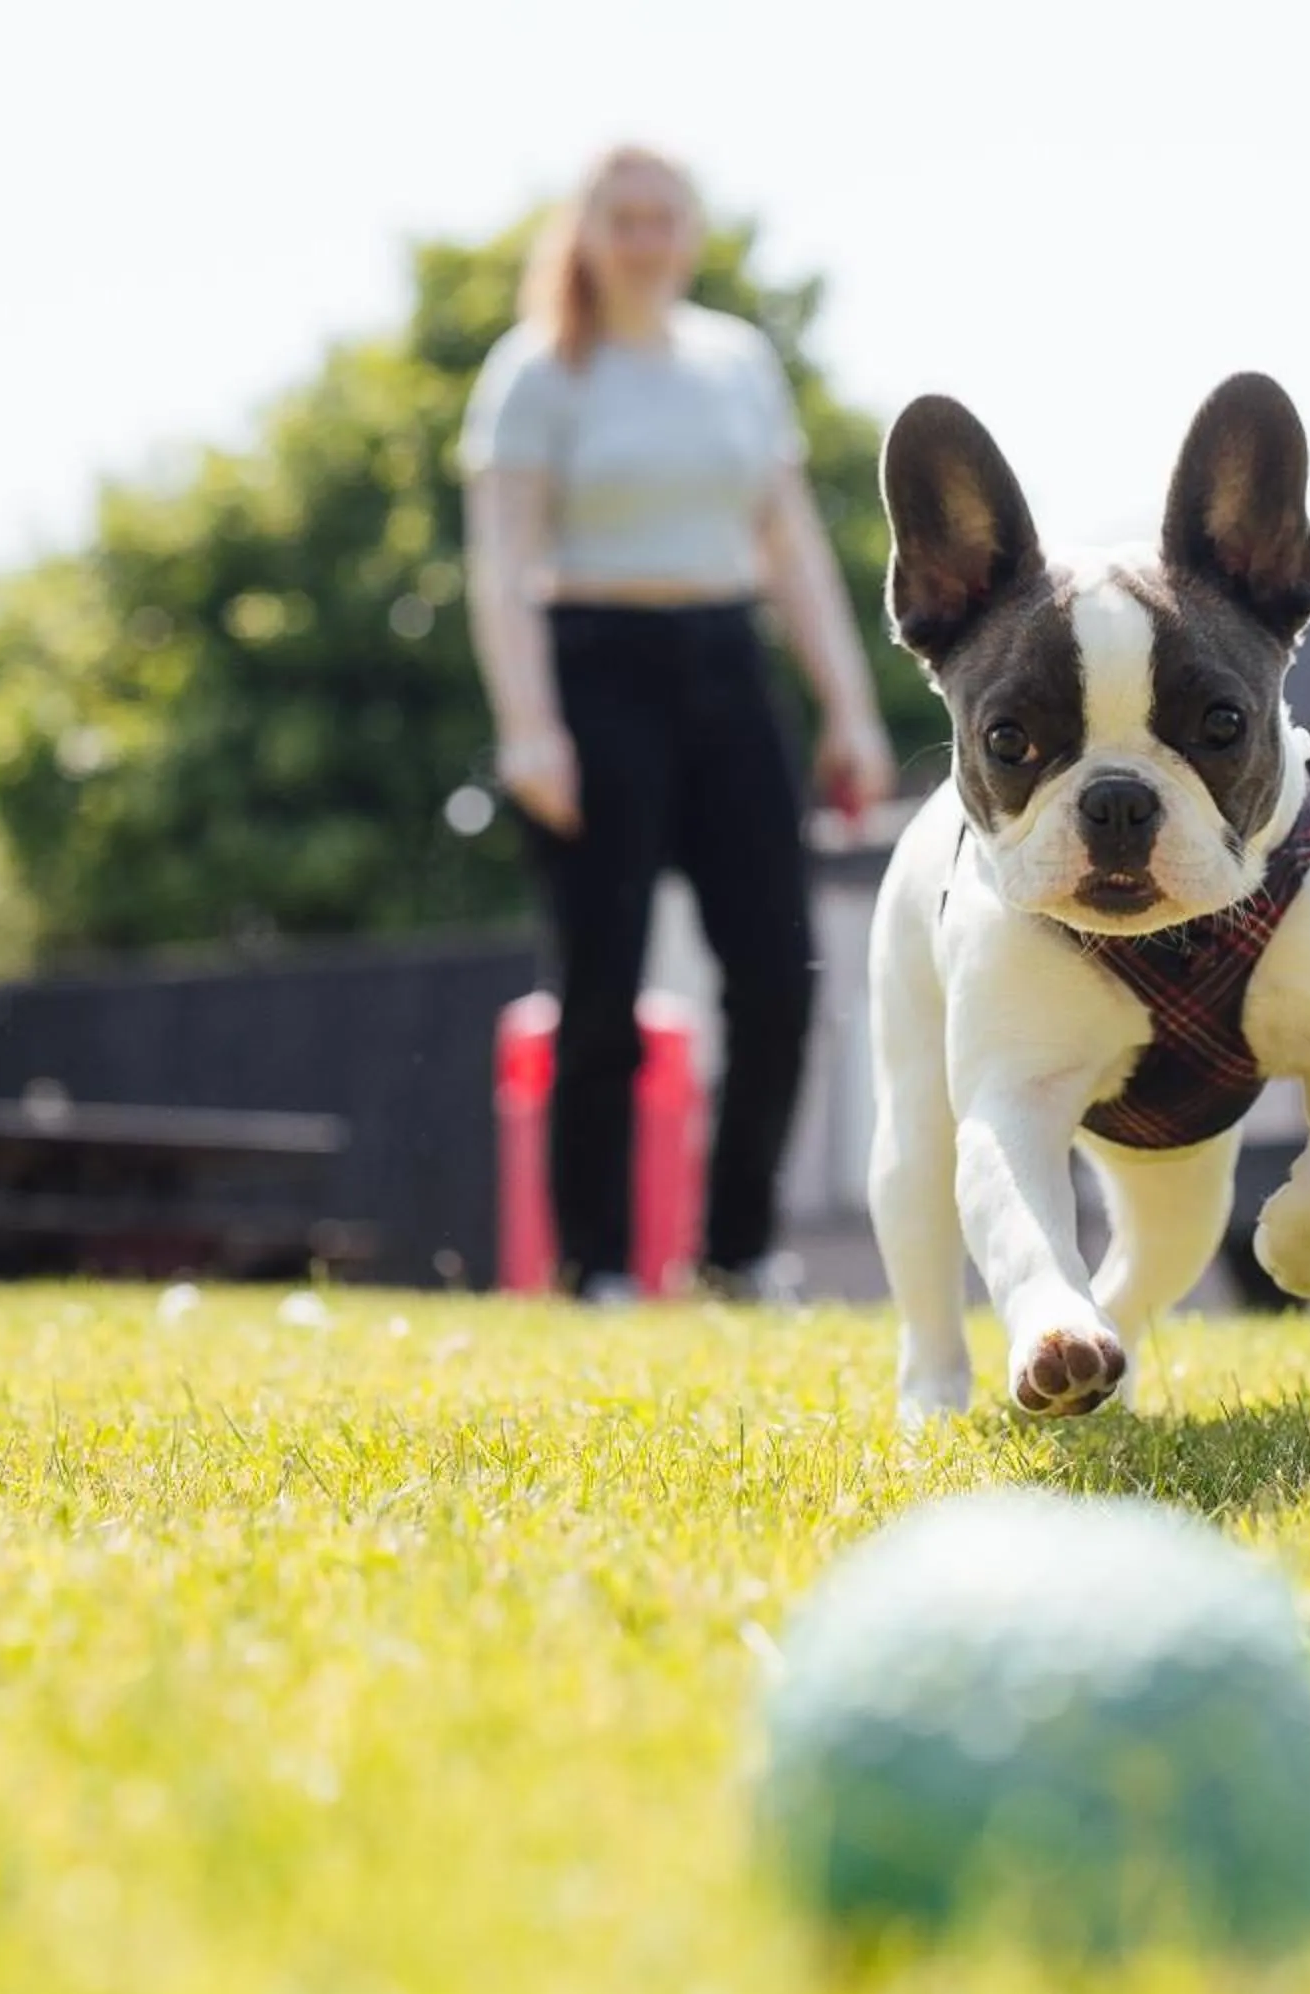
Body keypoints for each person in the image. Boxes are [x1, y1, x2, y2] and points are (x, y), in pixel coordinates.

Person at [462, 145, 895, 1303]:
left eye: (665, 217)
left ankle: (738, 1251)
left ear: (691, 231)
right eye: (625, 218)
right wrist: (529, 727)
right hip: (592, 666)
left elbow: (792, 547)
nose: (647, 237)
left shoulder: (737, 363)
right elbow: (499, 564)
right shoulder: (537, 372)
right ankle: (595, 1262)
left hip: (727, 666)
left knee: (776, 977)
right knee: (599, 982)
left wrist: (847, 707)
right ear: (587, 233)